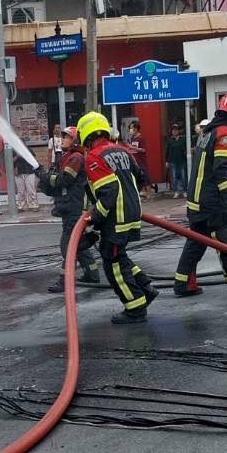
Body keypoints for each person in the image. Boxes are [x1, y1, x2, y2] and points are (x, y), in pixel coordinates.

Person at [173, 92, 227, 301]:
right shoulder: (224, 133)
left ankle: (183, 282)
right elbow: (221, 169)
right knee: (224, 239)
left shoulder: (209, 131)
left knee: (196, 242)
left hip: (196, 200)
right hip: (211, 201)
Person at [78, 111, 156, 324]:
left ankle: (135, 307)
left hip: (116, 219)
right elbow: (141, 177)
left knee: (112, 264)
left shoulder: (94, 157)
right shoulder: (122, 150)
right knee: (119, 256)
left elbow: (109, 192)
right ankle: (145, 288)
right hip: (132, 213)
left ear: (86, 134)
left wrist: (95, 219)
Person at [46, 125, 101, 292]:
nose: (62, 139)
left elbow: (65, 180)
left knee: (68, 245)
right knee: (77, 243)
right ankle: (92, 274)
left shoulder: (76, 158)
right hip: (70, 206)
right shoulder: (68, 156)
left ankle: (65, 281)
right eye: (63, 136)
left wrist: (47, 177)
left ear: (75, 140)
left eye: (66, 137)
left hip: (75, 208)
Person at [125, 118, 152, 192]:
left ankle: (149, 193)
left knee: (145, 177)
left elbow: (143, 150)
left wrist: (132, 147)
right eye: (130, 128)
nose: (130, 130)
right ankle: (142, 192)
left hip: (141, 162)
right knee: (139, 178)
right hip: (135, 162)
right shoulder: (132, 138)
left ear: (136, 129)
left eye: (131, 128)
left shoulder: (141, 138)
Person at [164, 123, 187, 197]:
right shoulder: (170, 140)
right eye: (173, 130)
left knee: (183, 177)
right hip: (172, 161)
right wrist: (167, 161)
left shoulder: (183, 139)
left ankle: (185, 191)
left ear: (179, 131)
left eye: (176, 130)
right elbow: (167, 151)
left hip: (182, 160)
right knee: (174, 177)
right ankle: (176, 191)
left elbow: (186, 149)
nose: (175, 131)